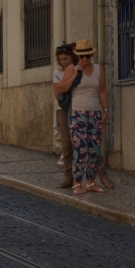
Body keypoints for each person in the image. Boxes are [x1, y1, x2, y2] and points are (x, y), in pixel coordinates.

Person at [57, 39, 110, 195]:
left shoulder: (99, 69)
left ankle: (91, 181)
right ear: (77, 56)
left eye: (88, 56)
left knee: (94, 149)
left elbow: (102, 91)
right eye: (82, 56)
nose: (85, 59)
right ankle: (77, 182)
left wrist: (105, 109)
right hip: (77, 113)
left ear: (91, 55)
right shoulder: (71, 69)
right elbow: (61, 88)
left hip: (95, 113)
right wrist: (74, 75)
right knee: (80, 149)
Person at [52, 43, 77, 189]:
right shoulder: (57, 72)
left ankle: (93, 177)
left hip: (79, 108)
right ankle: (68, 178)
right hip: (63, 109)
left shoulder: (78, 69)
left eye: (66, 58)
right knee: (67, 145)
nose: (64, 62)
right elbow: (57, 93)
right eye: (61, 59)